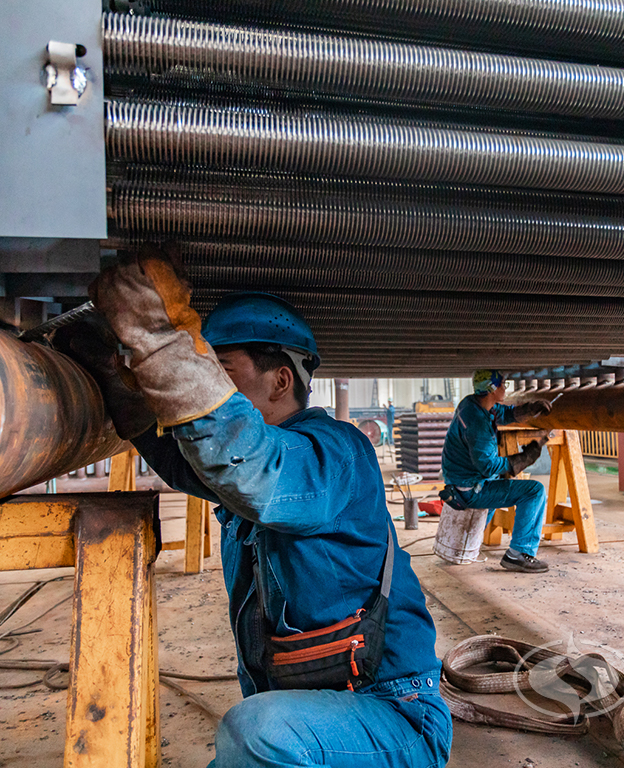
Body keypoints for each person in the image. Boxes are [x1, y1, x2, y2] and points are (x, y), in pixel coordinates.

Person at [58, 245, 451, 768]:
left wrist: (158, 341)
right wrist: (114, 376)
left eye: (221, 371)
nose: (211, 386)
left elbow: (252, 472)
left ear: (281, 380)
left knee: (257, 733)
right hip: (319, 708)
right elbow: (186, 460)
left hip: (393, 714)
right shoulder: (251, 462)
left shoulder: (335, 451)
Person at [439, 369, 553, 573]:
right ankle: (518, 554)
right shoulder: (478, 423)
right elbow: (487, 466)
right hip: (470, 489)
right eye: (501, 384)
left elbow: (503, 413)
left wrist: (529, 408)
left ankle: (469, 543)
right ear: (492, 389)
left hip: (460, 482)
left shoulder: (472, 404)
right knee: (534, 491)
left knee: (499, 480)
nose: (505, 387)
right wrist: (523, 459)